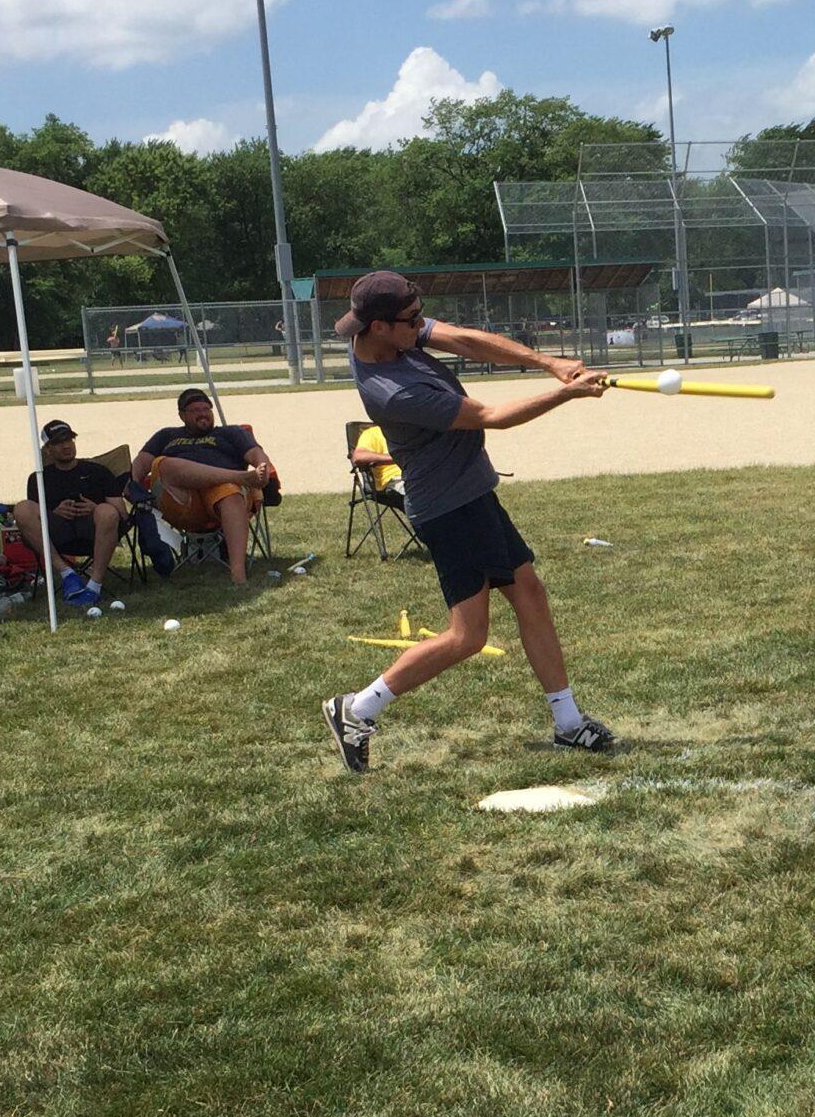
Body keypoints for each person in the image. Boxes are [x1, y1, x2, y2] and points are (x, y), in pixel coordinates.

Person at [322, 270, 616, 772]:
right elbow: (491, 416)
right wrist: (569, 393)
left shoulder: (391, 335)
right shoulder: (393, 391)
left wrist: (550, 363)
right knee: (468, 636)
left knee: (530, 594)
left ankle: (568, 723)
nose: (422, 324)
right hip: (449, 508)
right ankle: (358, 708)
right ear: (378, 326)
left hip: (472, 494)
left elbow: (465, 340)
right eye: (411, 319)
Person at [131, 387, 276, 585]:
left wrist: (263, 468)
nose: (202, 414)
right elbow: (140, 463)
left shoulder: (231, 432)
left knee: (231, 493)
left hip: (222, 497)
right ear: (182, 415)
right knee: (164, 464)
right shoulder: (166, 435)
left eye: (206, 409)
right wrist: (131, 484)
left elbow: (257, 454)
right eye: (195, 410)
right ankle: (240, 477)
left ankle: (238, 576)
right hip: (182, 501)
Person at [13, 418, 130, 607]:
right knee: (22, 508)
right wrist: (53, 511)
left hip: (95, 530)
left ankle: (94, 585)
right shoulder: (39, 478)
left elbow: (122, 514)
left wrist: (95, 508)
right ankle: (67, 574)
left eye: (69, 440)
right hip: (58, 533)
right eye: (58, 442)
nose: (66, 446)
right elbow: (32, 516)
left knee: (106, 511)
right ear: (47, 449)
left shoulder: (98, 471)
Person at [349, 422, 404, 496]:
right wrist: (396, 458)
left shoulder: (415, 431)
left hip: (417, 473)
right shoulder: (373, 433)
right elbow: (359, 457)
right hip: (395, 479)